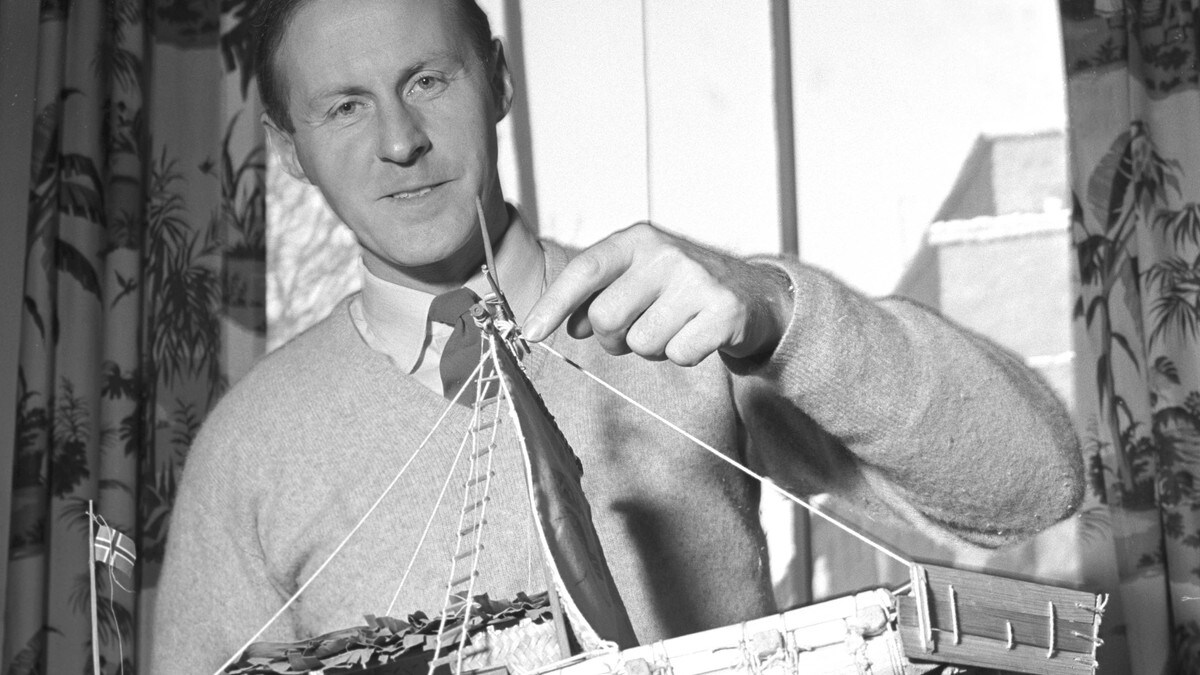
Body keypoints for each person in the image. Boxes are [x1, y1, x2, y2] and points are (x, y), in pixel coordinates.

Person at [151, 0, 1084, 671]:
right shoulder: (248, 449)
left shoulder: (688, 320)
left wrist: (779, 315)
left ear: (498, 81)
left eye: (428, 80)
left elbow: (1035, 486)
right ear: (290, 147)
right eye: (345, 105)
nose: (400, 139)